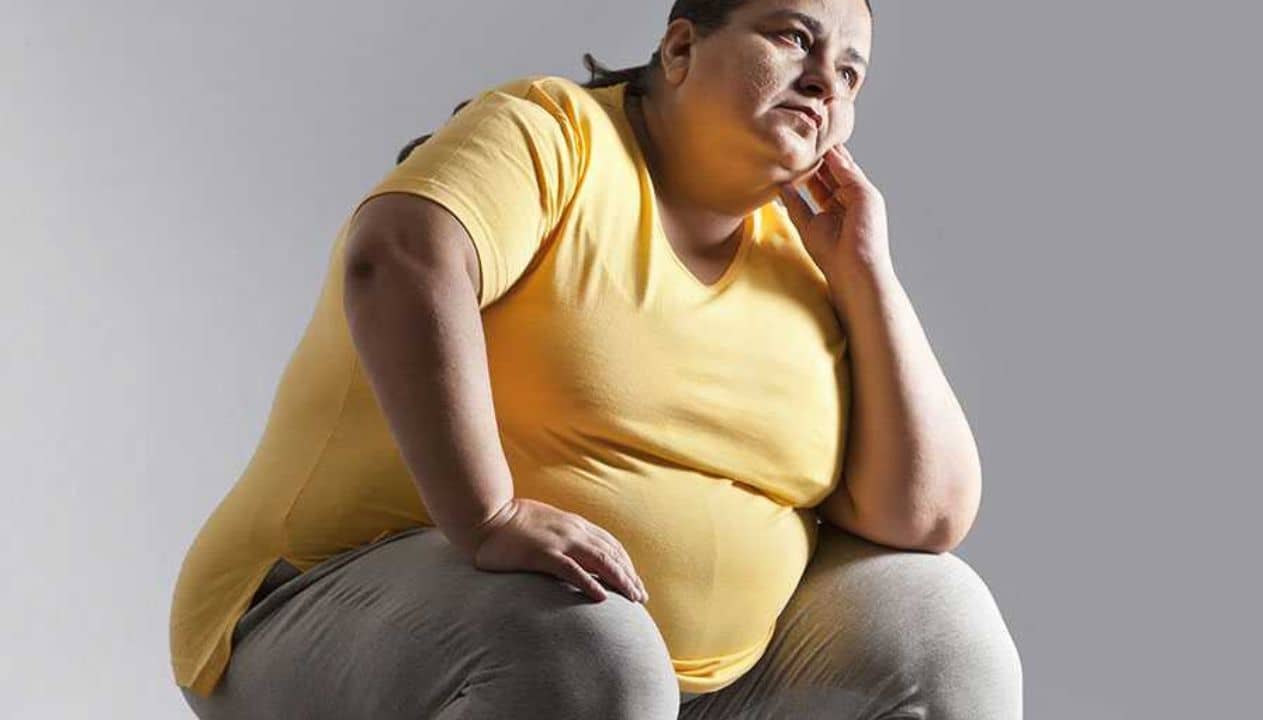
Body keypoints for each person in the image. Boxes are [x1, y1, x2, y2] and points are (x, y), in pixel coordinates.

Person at [169, 0, 1024, 717]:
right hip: (331, 601)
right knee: (593, 649)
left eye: (851, 73)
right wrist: (488, 516)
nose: (823, 80)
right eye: (794, 37)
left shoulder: (810, 258)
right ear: (680, 48)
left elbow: (924, 517)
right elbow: (398, 256)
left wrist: (867, 274)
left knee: (942, 630)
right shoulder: (553, 134)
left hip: (681, 686)